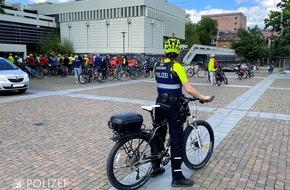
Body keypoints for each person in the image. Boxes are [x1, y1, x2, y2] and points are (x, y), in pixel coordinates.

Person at [153, 38, 212, 187]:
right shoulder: (177, 66)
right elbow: (189, 89)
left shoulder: (157, 65)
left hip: (159, 104)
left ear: (166, 51)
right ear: (178, 51)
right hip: (173, 107)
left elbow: (161, 83)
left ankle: (155, 167)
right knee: (176, 141)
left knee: (159, 136)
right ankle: (177, 177)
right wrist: (203, 97)